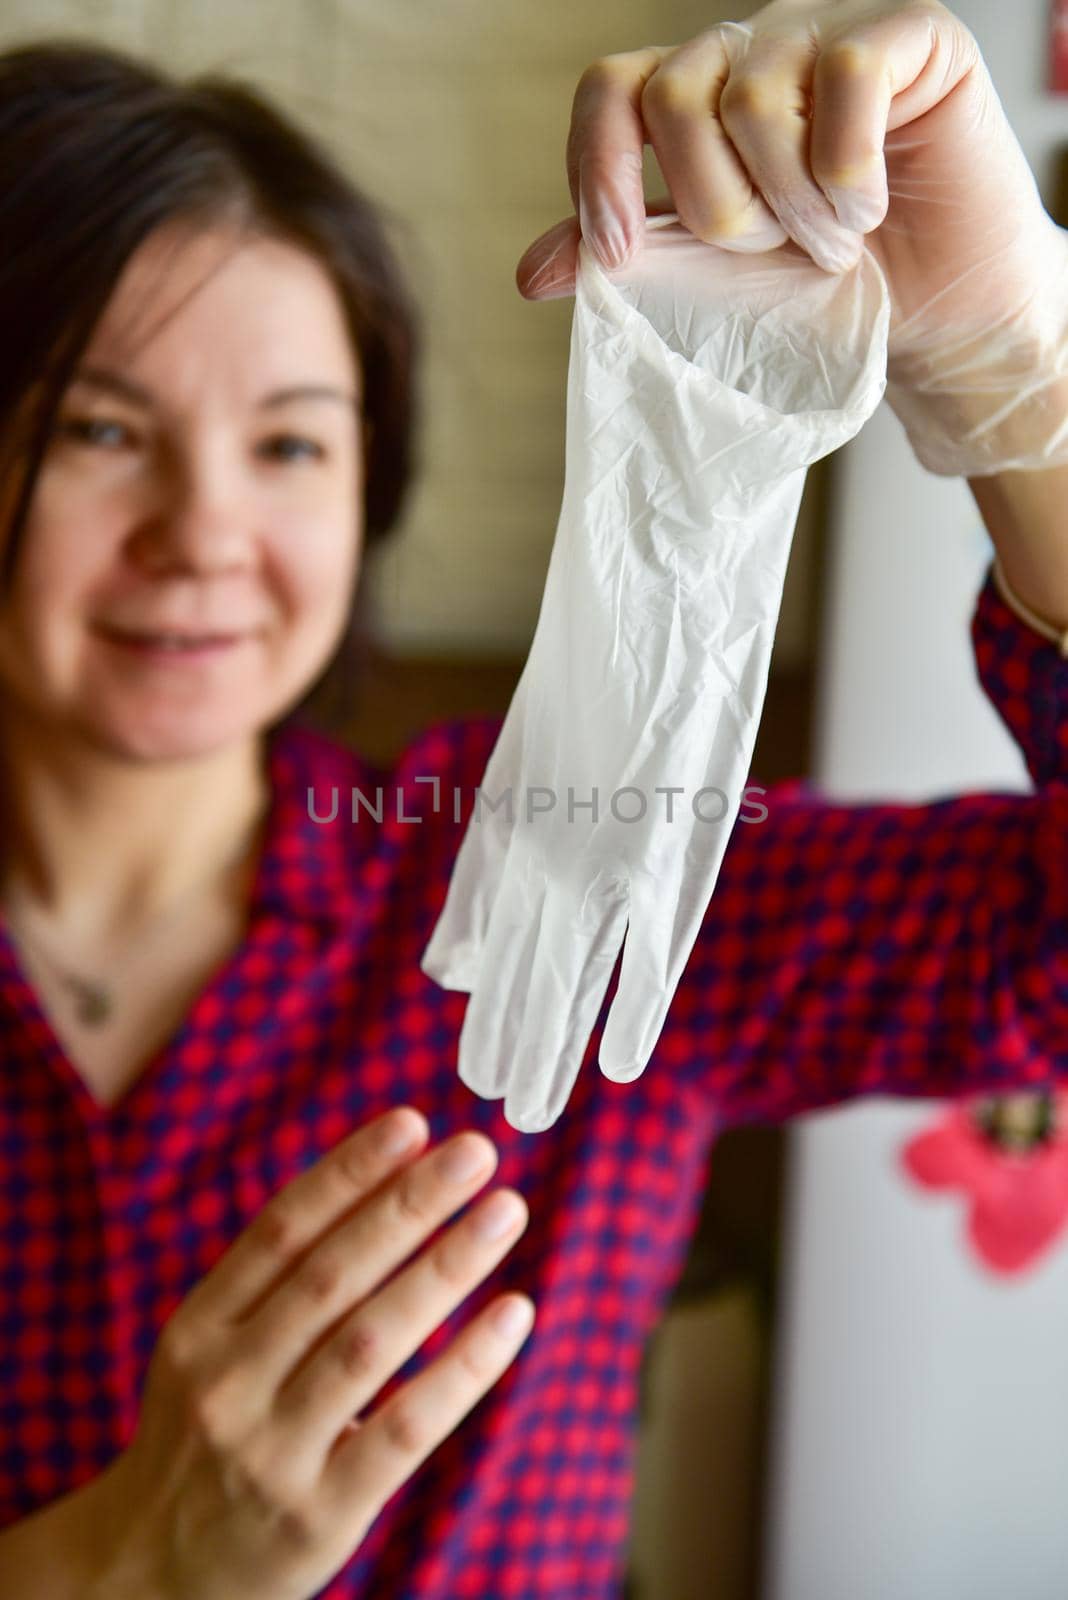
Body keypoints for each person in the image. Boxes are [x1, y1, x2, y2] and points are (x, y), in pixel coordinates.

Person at [0, 2, 1063, 1596]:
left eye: (290, 444)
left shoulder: (587, 858)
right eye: (99, 428)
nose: (203, 534)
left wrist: (1026, 388)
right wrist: (111, 1565)